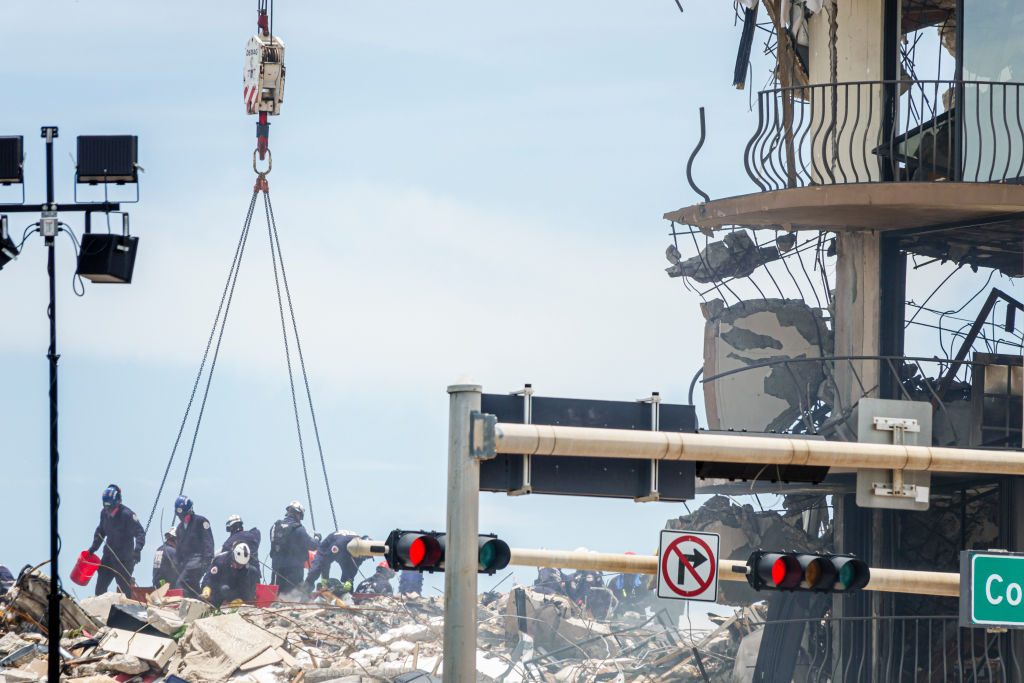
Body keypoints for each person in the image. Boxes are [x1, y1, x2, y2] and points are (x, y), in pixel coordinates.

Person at [87, 485, 145, 596]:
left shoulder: (127, 515)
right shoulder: (104, 513)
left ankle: (126, 610)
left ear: (117, 502)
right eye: (106, 507)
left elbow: (140, 533)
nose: (108, 510)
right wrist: (93, 548)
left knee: (124, 590)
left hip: (124, 559)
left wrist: (138, 549)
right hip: (108, 557)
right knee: (100, 588)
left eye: (110, 507)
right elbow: (101, 532)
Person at [268, 501, 318, 594]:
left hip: (276, 569)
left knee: (276, 595)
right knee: (295, 596)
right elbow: (312, 545)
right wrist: (317, 539)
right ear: (299, 515)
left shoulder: (275, 527)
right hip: (294, 571)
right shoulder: (299, 529)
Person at [173, 494, 214, 599]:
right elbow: (179, 549)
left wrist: (207, 561)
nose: (182, 519)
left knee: (182, 583)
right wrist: (175, 563)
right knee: (190, 586)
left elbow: (208, 542)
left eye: (184, 516)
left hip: (198, 559)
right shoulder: (180, 528)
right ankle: (199, 603)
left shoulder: (201, 522)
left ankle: (185, 605)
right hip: (187, 562)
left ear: (190, 511)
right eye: (179, 517)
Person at [303, 530, 367, 594]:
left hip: (346, 552)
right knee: (315, 570)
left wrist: (349, 580)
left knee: (348, 580)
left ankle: (348, 595)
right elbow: (326, 561)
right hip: (328, 548)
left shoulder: (363, 549)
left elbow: (354, 567)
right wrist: (325, 579)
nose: (361, 558)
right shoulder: (339, 545)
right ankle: (305, 591)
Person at [200, 542, 257, 607]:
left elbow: (244, 587)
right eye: (237, 565)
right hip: (218, 589)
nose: (238, 567)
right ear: (233, 557)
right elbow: (209, 578)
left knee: (253, 572)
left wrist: (239, 600)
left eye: (241, 566)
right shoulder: (220, 561)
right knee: (224, 589)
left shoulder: (244, 569)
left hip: (232, 591)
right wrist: (206, 589)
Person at [222, 514, 262, 581]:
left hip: (240, 577)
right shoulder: (253, 534)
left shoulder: (229, 542)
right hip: (255, 575)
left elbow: (223, 556)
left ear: (231, 527)